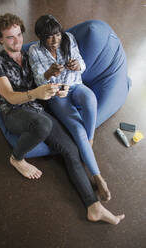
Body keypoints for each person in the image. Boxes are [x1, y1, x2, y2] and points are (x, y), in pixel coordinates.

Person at [0, 13, 125, 224]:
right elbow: (11, 97)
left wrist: (60, 89)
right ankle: (16, 158)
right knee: (44, 123)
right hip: (14, 112)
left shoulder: (29, 54)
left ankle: (93, 207)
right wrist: (37, 93)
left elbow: (50, 81)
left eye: (18, 35)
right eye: (10, 37)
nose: (17, 41)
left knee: (71, 150)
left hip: (39, 107)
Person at [29, 14, 111, 202]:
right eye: (49, 36)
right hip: (57, 94)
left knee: (90, 98)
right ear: (41, 36)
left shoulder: (69, 39)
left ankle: (89, 140)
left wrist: (77, 66)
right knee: (76, 129)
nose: (55, 40)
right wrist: (49, 74)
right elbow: (38, 80)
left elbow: (82, 64)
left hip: (75, 86)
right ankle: (98, 177)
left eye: (57, 34)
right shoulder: (34, 51)